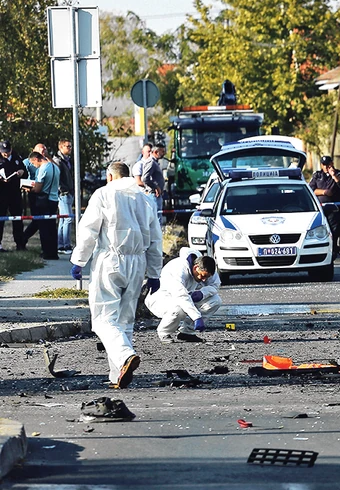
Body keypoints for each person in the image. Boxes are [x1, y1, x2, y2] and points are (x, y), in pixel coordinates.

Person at [70, 162, 163, 388]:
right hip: (137, 262)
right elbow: (155, 239)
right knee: (125, 320)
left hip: (110, 259)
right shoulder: (145, 198)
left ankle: (124, 356)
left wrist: (79, 260)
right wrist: (154, 272)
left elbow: (89, 230)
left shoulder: (103, 194)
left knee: (103, 318)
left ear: (110, 176)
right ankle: (117, 375)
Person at [146, 247, 221, 343]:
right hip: (161, 298)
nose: (204, 280)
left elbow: (215, 284)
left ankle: (187, 332)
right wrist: (197, 317)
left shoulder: (204, 264)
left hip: (185, 295)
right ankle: (164, 332)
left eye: (207, 277)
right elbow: (181, 296)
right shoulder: (178, 269)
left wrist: (203, 293)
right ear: (195, 268)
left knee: (215, 300)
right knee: (178, 309)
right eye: (203, 276)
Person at [22, 151, 60, 259]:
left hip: (44, 200)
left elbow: (38, 188)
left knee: (44, 228)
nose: (34, 166)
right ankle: (54, 252)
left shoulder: (43, 169)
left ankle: (46, 252)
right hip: (54, 199)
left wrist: (28, 189)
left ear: (36, 159)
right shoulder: (55, 167)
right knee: (52, 227)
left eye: (33, 163)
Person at [309, 155, 340, 238]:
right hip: (320, 208)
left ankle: (333, 246)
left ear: (332, 163)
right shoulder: (317, 175)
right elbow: (311, 189)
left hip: (334, 208)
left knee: (333, 231)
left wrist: (334, 176)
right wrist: (324, 192)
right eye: (324, 165)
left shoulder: (339, 174)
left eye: (328, 164)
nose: (326, 167)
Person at [0, 141, 27, 251]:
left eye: (7, 151)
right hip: (2, 194)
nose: (6, 154)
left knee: (17, 218)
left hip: (15, 193)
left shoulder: (17, 157)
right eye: (3, 152)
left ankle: (20, 244)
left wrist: (21, 172)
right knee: (1, 218)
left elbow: (25, 172)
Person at [53, 139, 75, 253]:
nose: (70, 148)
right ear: (61, 147)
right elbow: (57, 177)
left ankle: (60, 245)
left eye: (70, 146)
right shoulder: (58, 161)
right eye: (68, 146)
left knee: (63, 219)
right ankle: (66, 245)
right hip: (63, 193)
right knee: (68, 218)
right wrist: (63, 190)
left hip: (69, 192)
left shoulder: (67, 160)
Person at [140, 143, 166, 220]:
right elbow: (145, 178)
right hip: (153, 194)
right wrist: (156, 187)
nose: (163, 154)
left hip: (156, 194)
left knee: (158, 217)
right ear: (156, 152)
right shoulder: (151, 162)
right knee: (156, 218)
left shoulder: (155, 162)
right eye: (162, 151)